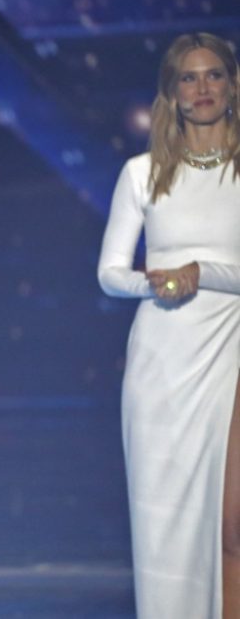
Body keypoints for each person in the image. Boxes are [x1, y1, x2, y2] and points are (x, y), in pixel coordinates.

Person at [98, 32, 240, 618]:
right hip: (161, 362)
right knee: (164, 526)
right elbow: (110, 274)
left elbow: (206, 269)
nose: (202, 88)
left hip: (229, 353)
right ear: (171, 92)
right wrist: (156, 282)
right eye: (189, 77)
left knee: (232, 524)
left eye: (213, 75)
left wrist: (198, 271)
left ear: (232, 86)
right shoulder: (141, 172)